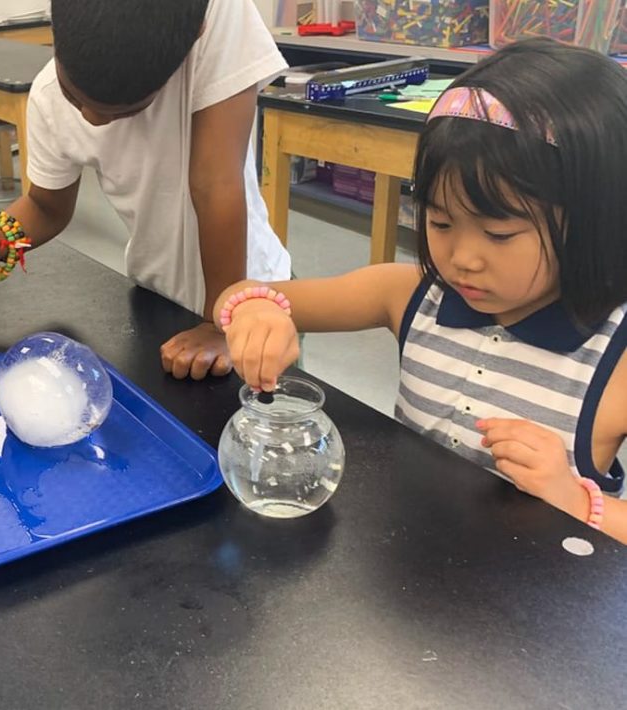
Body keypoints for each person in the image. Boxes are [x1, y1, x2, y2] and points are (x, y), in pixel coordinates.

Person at [213, 39, 627, 544]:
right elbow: (239, 294)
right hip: (413, 573)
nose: (462, 258)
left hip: (530, 606)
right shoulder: (410, 295)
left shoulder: (614, 359)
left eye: (499, 234)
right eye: (440, 220)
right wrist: (258, 311)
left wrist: (578, 501)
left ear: (594, 223)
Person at [0, 0, 291, 380]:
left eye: (123, 112)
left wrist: (223, 320)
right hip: (157, 298)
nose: (92, 118)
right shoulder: (48, 95)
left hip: (251, 303)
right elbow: (46, 207)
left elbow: (214, 183)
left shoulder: (214, 15)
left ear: (194, 36)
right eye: (75, 96)